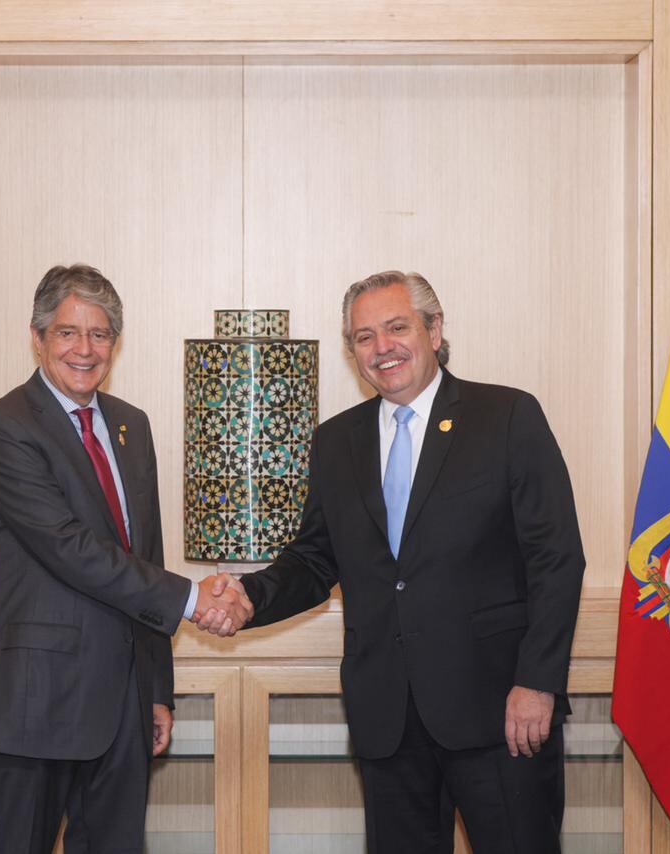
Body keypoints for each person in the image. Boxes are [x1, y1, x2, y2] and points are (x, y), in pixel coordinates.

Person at [199, 270, 585, 853]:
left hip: (500, 711)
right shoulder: (336, 441)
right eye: (364, 336)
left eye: (397, 327)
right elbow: (314, 559)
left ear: (434, 330)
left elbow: (557, 559)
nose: (382, 347)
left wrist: (537, 682)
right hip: (388, 718)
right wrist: (249, 597)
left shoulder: (506, 416)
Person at [0, 264, 251, 853]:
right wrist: (193, 598)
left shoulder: (130, 425)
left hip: (124, 703)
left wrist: (156, 689)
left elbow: (145, 553)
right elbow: (69, 548)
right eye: (67, 332)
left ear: (114, 343)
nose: (84, 349)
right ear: (38, 336)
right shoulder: (6, 426)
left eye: (99, 334)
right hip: (39, 702)